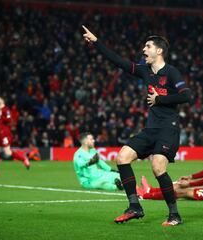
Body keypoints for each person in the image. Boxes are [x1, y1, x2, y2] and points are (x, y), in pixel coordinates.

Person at [82, 26, 192, 226]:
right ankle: (134, 206)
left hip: (169, 127)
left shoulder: (172, 72)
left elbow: (187, 96)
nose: (144, 50)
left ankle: (174, 214)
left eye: (147, 46)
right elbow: (118, 61)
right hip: (151, 129)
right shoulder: (145, 71)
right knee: (122, 157)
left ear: (159, 51)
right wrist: (96, 42)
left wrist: (161, 99)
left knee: (158, 167)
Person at [136, 131, 203, 201]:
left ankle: (146, 195)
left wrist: (189, 184)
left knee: (181, 192)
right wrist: (191, 177)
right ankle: (151, 190)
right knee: (179, 184)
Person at [0, 96, 30, 176]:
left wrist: (1, 116)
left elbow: (9, 120)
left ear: (2, 100)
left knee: (8, 152)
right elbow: (0, 122)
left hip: (4, 134)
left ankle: (24, 159)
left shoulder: (6, 110)